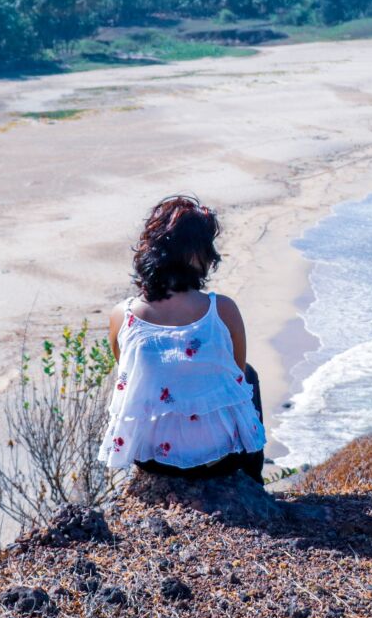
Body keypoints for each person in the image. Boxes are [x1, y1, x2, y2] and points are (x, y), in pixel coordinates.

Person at [98, 196, 266, 482]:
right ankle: (253, 481)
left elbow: (130, 376)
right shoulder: (222, 310)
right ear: (198, 254)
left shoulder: (122, 315)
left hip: (154, 460)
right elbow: (235, 376)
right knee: (248, 374)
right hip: (221, 458)